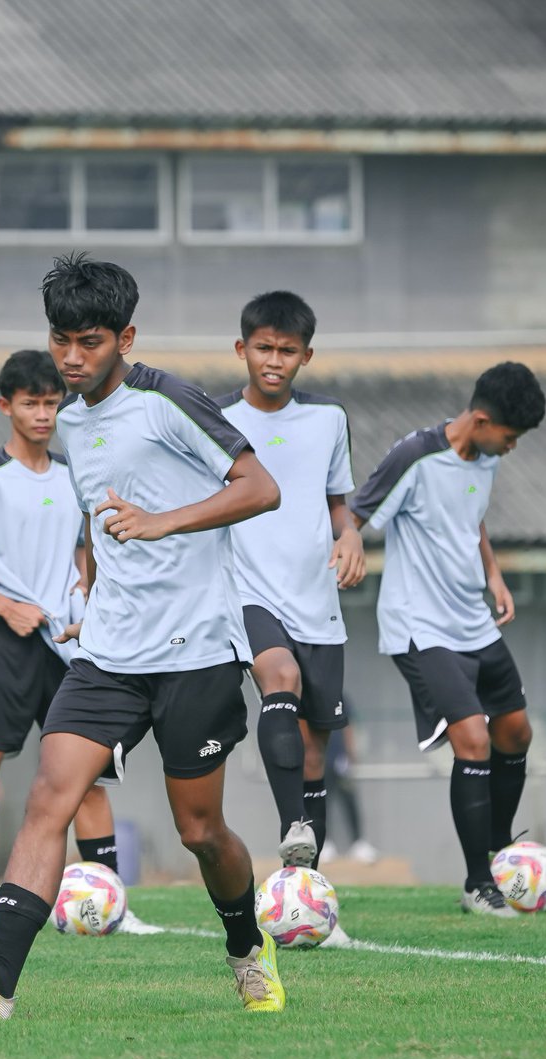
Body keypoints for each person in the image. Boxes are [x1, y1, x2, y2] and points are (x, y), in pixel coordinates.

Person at [0, 252, 286, 1019]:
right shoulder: (70, 424)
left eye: (90, 341)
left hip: (196, 651)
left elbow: (259, 487)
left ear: (126, 337)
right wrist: (94, 593)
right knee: (48, 796)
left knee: (200, 831)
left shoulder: (168, 401)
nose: (72, 358)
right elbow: (104, 525)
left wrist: (164, 521)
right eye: (61, 341)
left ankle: (247, 947)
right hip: (108, 651)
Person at [0, 349, 162, 937]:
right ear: (7, 406)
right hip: (2, 643)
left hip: (68, 644)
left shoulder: (74, 473)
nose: (43, 415)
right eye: (31, 403)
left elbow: (86, 546)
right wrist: (3, 604)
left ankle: (113, 906)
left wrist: (87, 576)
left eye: (53, 403)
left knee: (88, 777)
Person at [350, 361, 546, 917]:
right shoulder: (414, 455)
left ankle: (499, 847)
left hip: (472, 620)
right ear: (481, 420)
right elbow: (356, 511)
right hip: (420, 625)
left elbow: (473, 520)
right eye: (509, 438)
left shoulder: (483, 458)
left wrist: (493, 573)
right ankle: (478, 883)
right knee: (474, 740)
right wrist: (347, 545)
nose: (511, 448)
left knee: (516, 731)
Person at [213, 292, 366, 919]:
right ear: (241, 348)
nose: (273, 360)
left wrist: (350, 533)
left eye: (286, 350)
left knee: (314, 751)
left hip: (316, 596)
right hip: (246, 589)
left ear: (306, 355)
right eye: (263, 348)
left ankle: (307, 898)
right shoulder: (214, 421)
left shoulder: (329, 421)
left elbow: (337, 499)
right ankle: (292, 826)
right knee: (279, 678)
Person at [318, 701, 379, 865]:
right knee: (320, 801)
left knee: (349, 799)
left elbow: (348, 726)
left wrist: (350, 753)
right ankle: (324, 843)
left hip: (339, 758)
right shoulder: (308, 691)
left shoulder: (340, 695)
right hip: (319, 758)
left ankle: (359, 843)